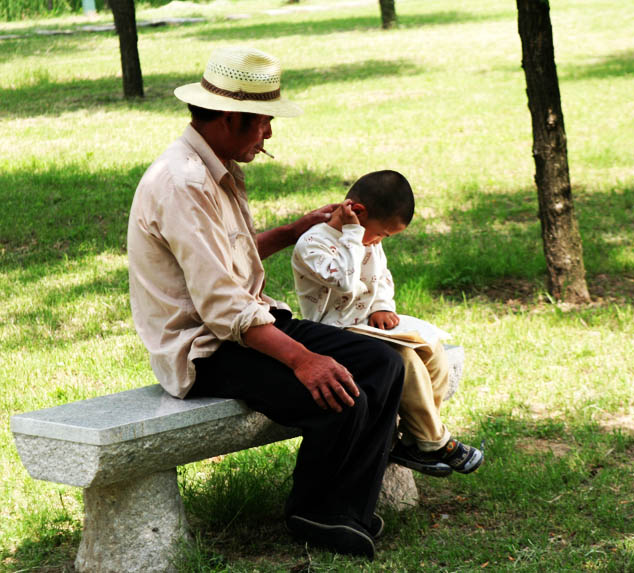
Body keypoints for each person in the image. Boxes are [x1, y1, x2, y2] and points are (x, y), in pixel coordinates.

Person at [126, 46, 405, 560]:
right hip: (204, 351)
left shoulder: (214, 168)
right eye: (264, 122)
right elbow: (222, 308)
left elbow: (225, 263)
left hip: (245, 327)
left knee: (384, 364)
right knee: (342, 389)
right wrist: (304, 359)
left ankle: (343, 508)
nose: (269, 134)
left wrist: (296, 229)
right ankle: (316, 511)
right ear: (232, 118)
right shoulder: (184, 183)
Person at [291, 170, 483, 477]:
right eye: (381, 234)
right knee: (404, 359)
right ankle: (436, 441)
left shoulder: (367, 240)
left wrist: (382, 305)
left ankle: (412, 439)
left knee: (433, 351)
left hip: (366, 326)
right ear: (359, 213)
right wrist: (354, 235)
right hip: (332, 332)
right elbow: (344, 281)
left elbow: (380, 276)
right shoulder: (312, 244)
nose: (378, 242)